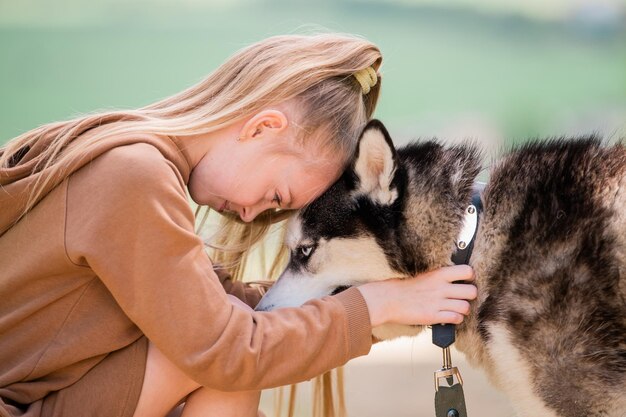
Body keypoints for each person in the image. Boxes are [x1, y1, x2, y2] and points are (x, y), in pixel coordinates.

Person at [0, 33, 477, 417]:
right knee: (218, 366)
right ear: (261, 128)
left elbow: (226, 314)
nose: (251, 215)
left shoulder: (129, 164)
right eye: (275, 197)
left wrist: (386, 309)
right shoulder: (134, 177)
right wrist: (376, 304)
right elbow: (226, 348)